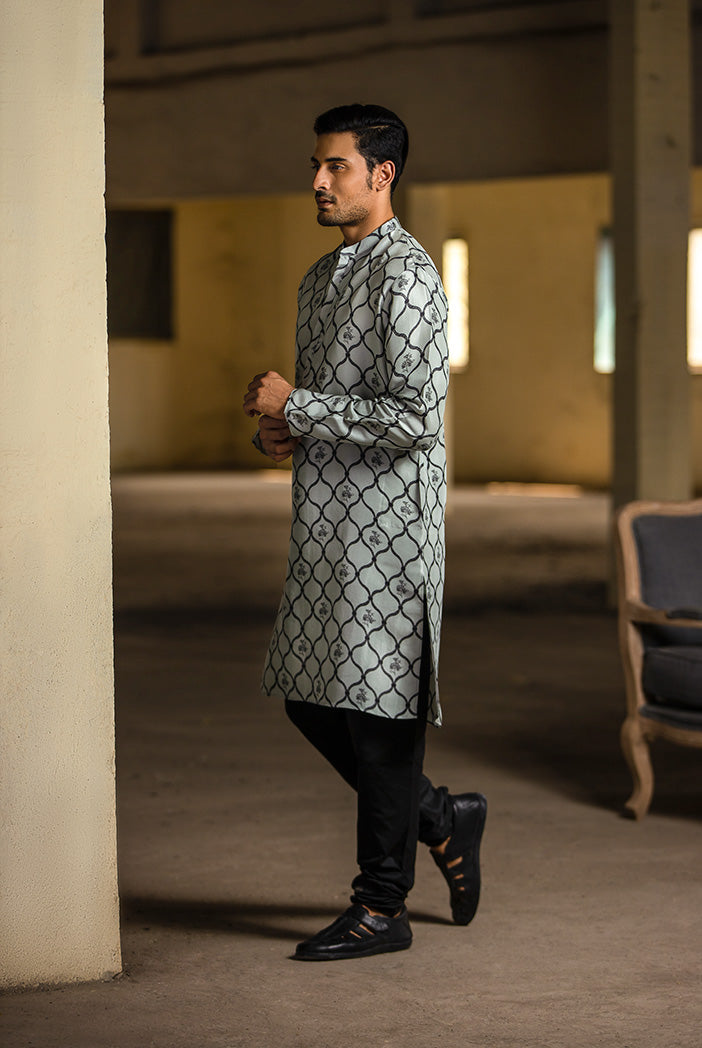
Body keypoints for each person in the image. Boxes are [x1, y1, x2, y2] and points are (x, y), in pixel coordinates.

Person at [243, 103, 486, 961]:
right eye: (316, 165)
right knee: (311, 696)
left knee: (381, 718)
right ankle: (441, 816)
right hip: (323, 531)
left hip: (388, 539)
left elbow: (416, 418)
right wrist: (281, 431)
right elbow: (332, 409)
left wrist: (300, 405)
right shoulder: (320, 280)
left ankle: (382, 907)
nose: (318, 180)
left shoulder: (409, 278)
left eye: (335, 166)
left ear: (382, 175)